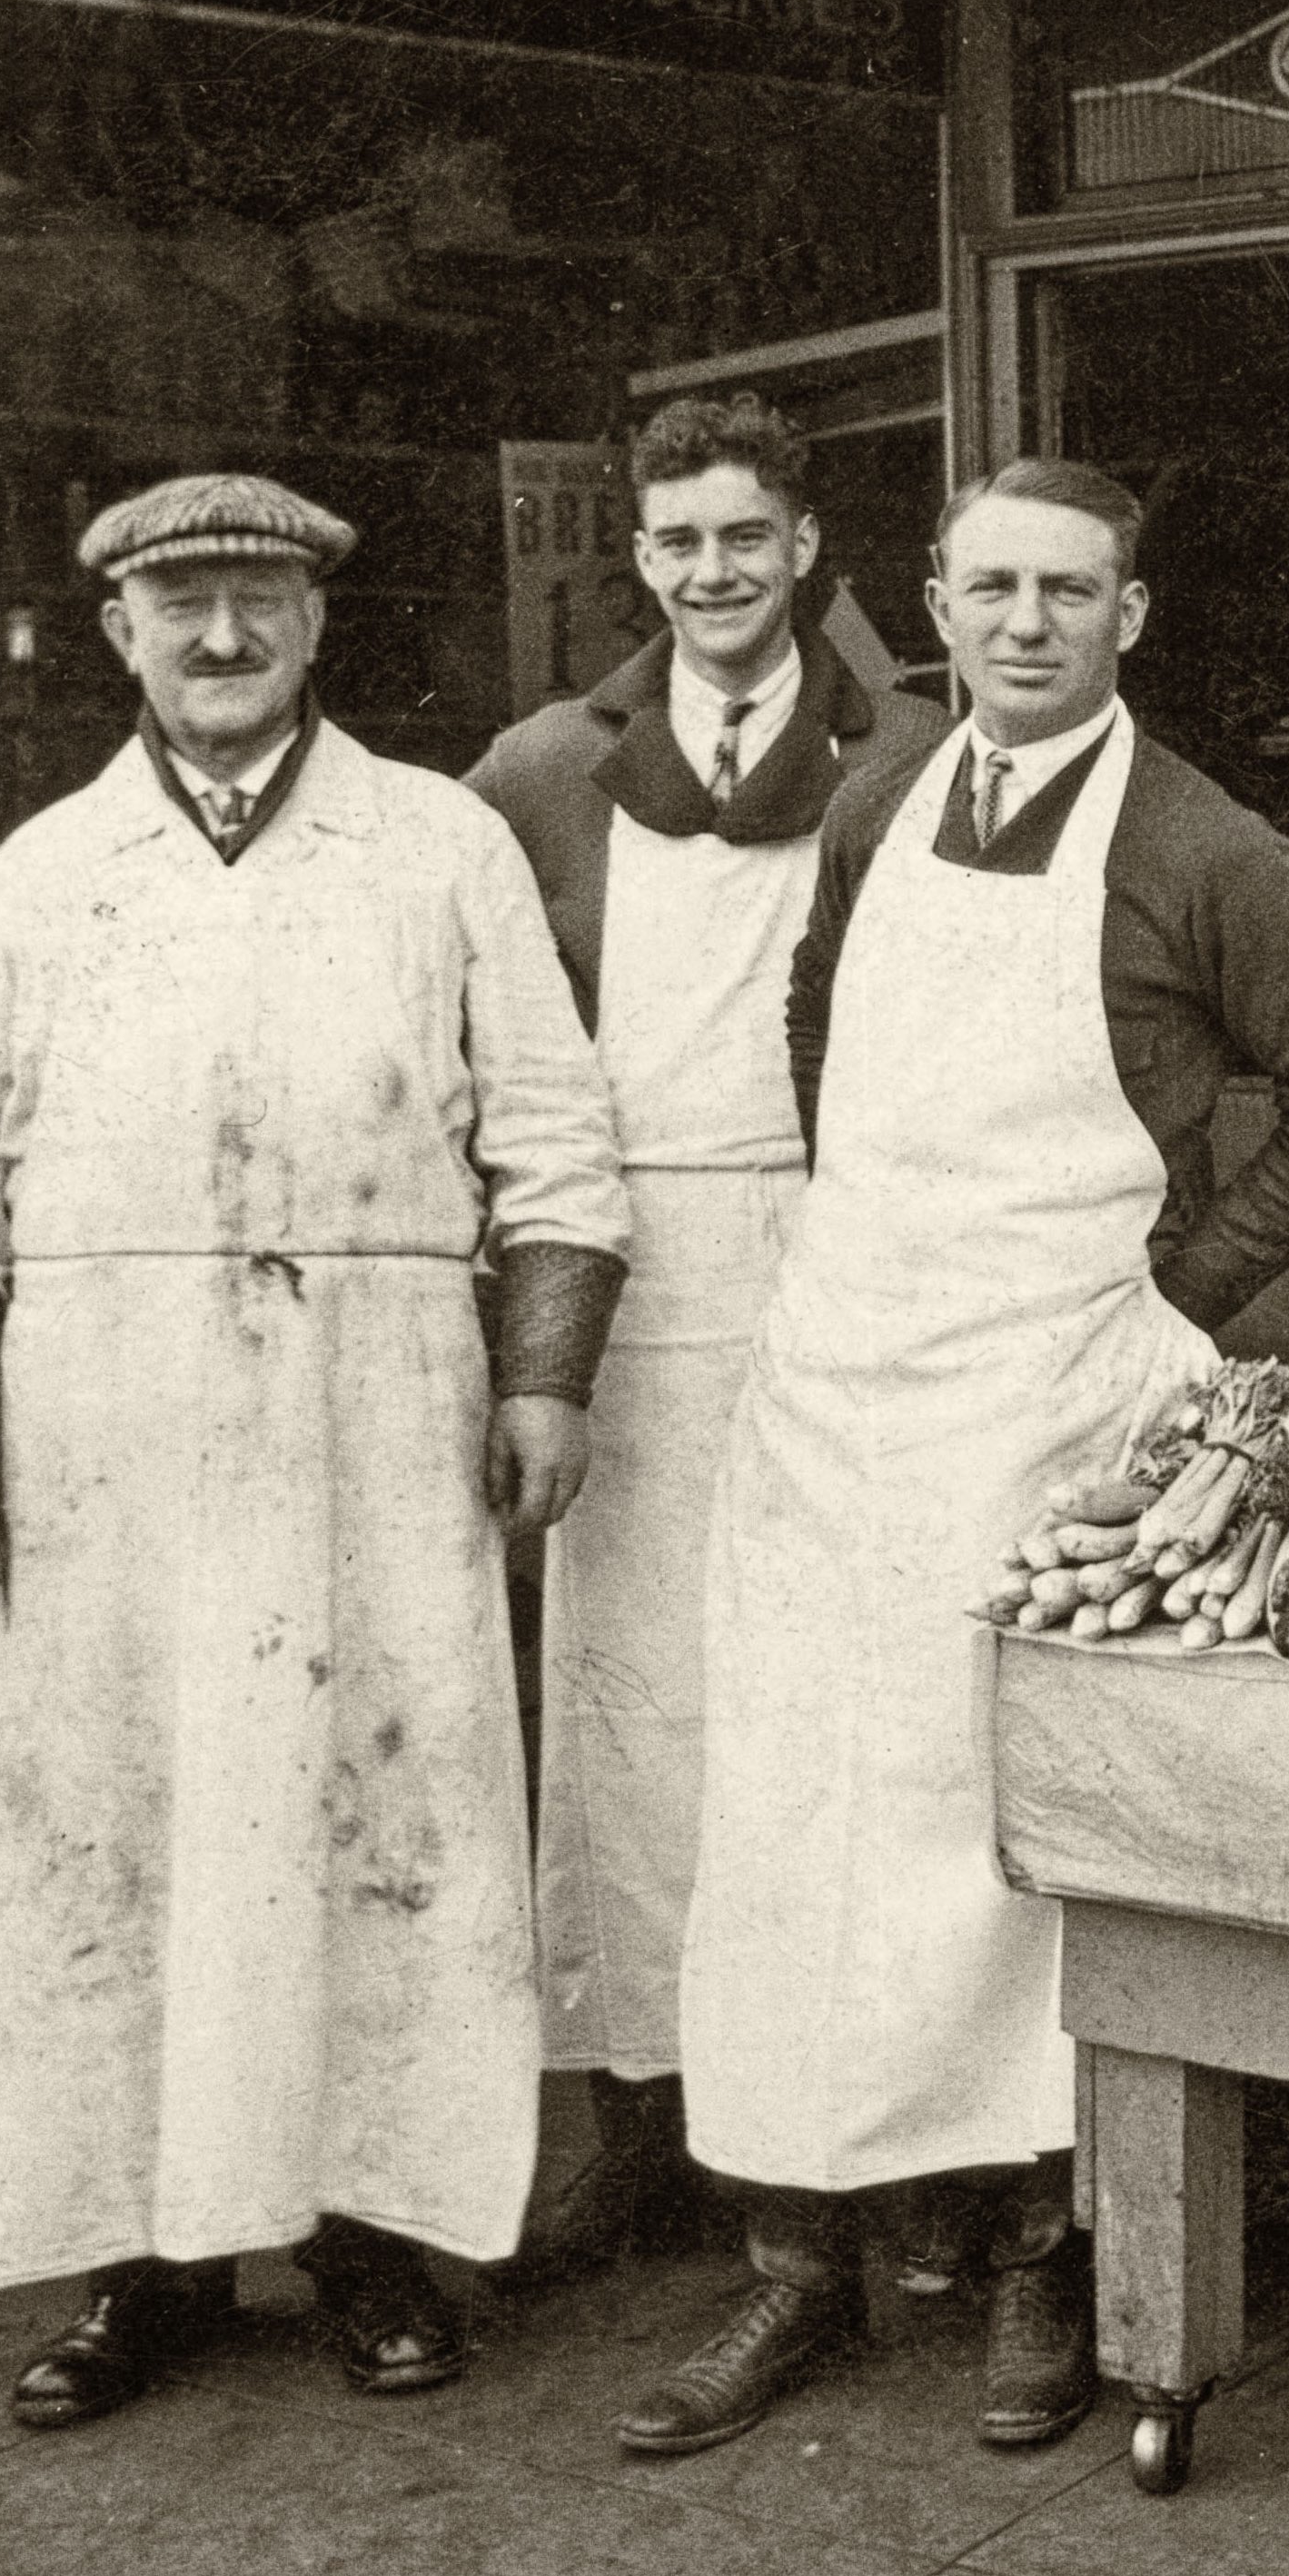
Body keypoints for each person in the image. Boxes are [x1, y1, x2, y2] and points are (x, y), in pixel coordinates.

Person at [624, 454, 1289, 2462]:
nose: (1027, 623)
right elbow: (818, 1026)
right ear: (936, 604)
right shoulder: (879, 799)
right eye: (991, 587)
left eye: (1069, 591)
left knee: (999, 1839)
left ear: (1128, 616)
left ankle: (1037, 2258)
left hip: (1048, 1405)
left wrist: (1177, 1294)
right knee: (791, 1818)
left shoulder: (1201, 843)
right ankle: (795, 2255)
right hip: (833, 1390)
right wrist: (863, 1245)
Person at [0, 469, 633, 2431]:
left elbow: (559, 1147)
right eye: (183, 600)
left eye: (261, 600)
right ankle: (142, 2262)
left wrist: (541, 1376)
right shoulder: (36, 879)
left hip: (373, 1424)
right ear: (118, 628)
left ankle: (371, 2237)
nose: (223, 635)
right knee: (122, 1830)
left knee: (373, 1820)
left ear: (316, 624)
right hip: (103, 1440)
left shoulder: (438, 845)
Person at [463, 392, 943, 2276]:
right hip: (630, 1271)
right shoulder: (539, 771)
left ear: (805, 547)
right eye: (678, 541)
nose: (713, 571)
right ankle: (644, 2124)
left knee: (829, 1707)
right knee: (631, 1711)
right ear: (638, 558)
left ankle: (847, 2142)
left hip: (836, 1263)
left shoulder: (912, 756)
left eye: (747, 536)